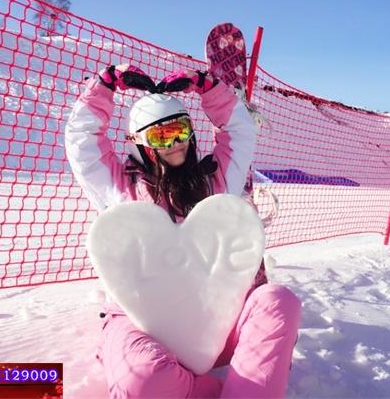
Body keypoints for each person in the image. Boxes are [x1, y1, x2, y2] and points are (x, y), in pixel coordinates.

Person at [65, 63, 302, 398]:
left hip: (214, 324)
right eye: (162, 136)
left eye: (181, 130)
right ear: (140, 143)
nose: (176, 143)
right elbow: (82, 143)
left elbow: (240, 131)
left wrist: (207, 87)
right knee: (143, 379)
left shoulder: (216, 183)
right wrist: (105, 85)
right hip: (141, 323)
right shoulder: (120, 190)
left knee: (278, 302)